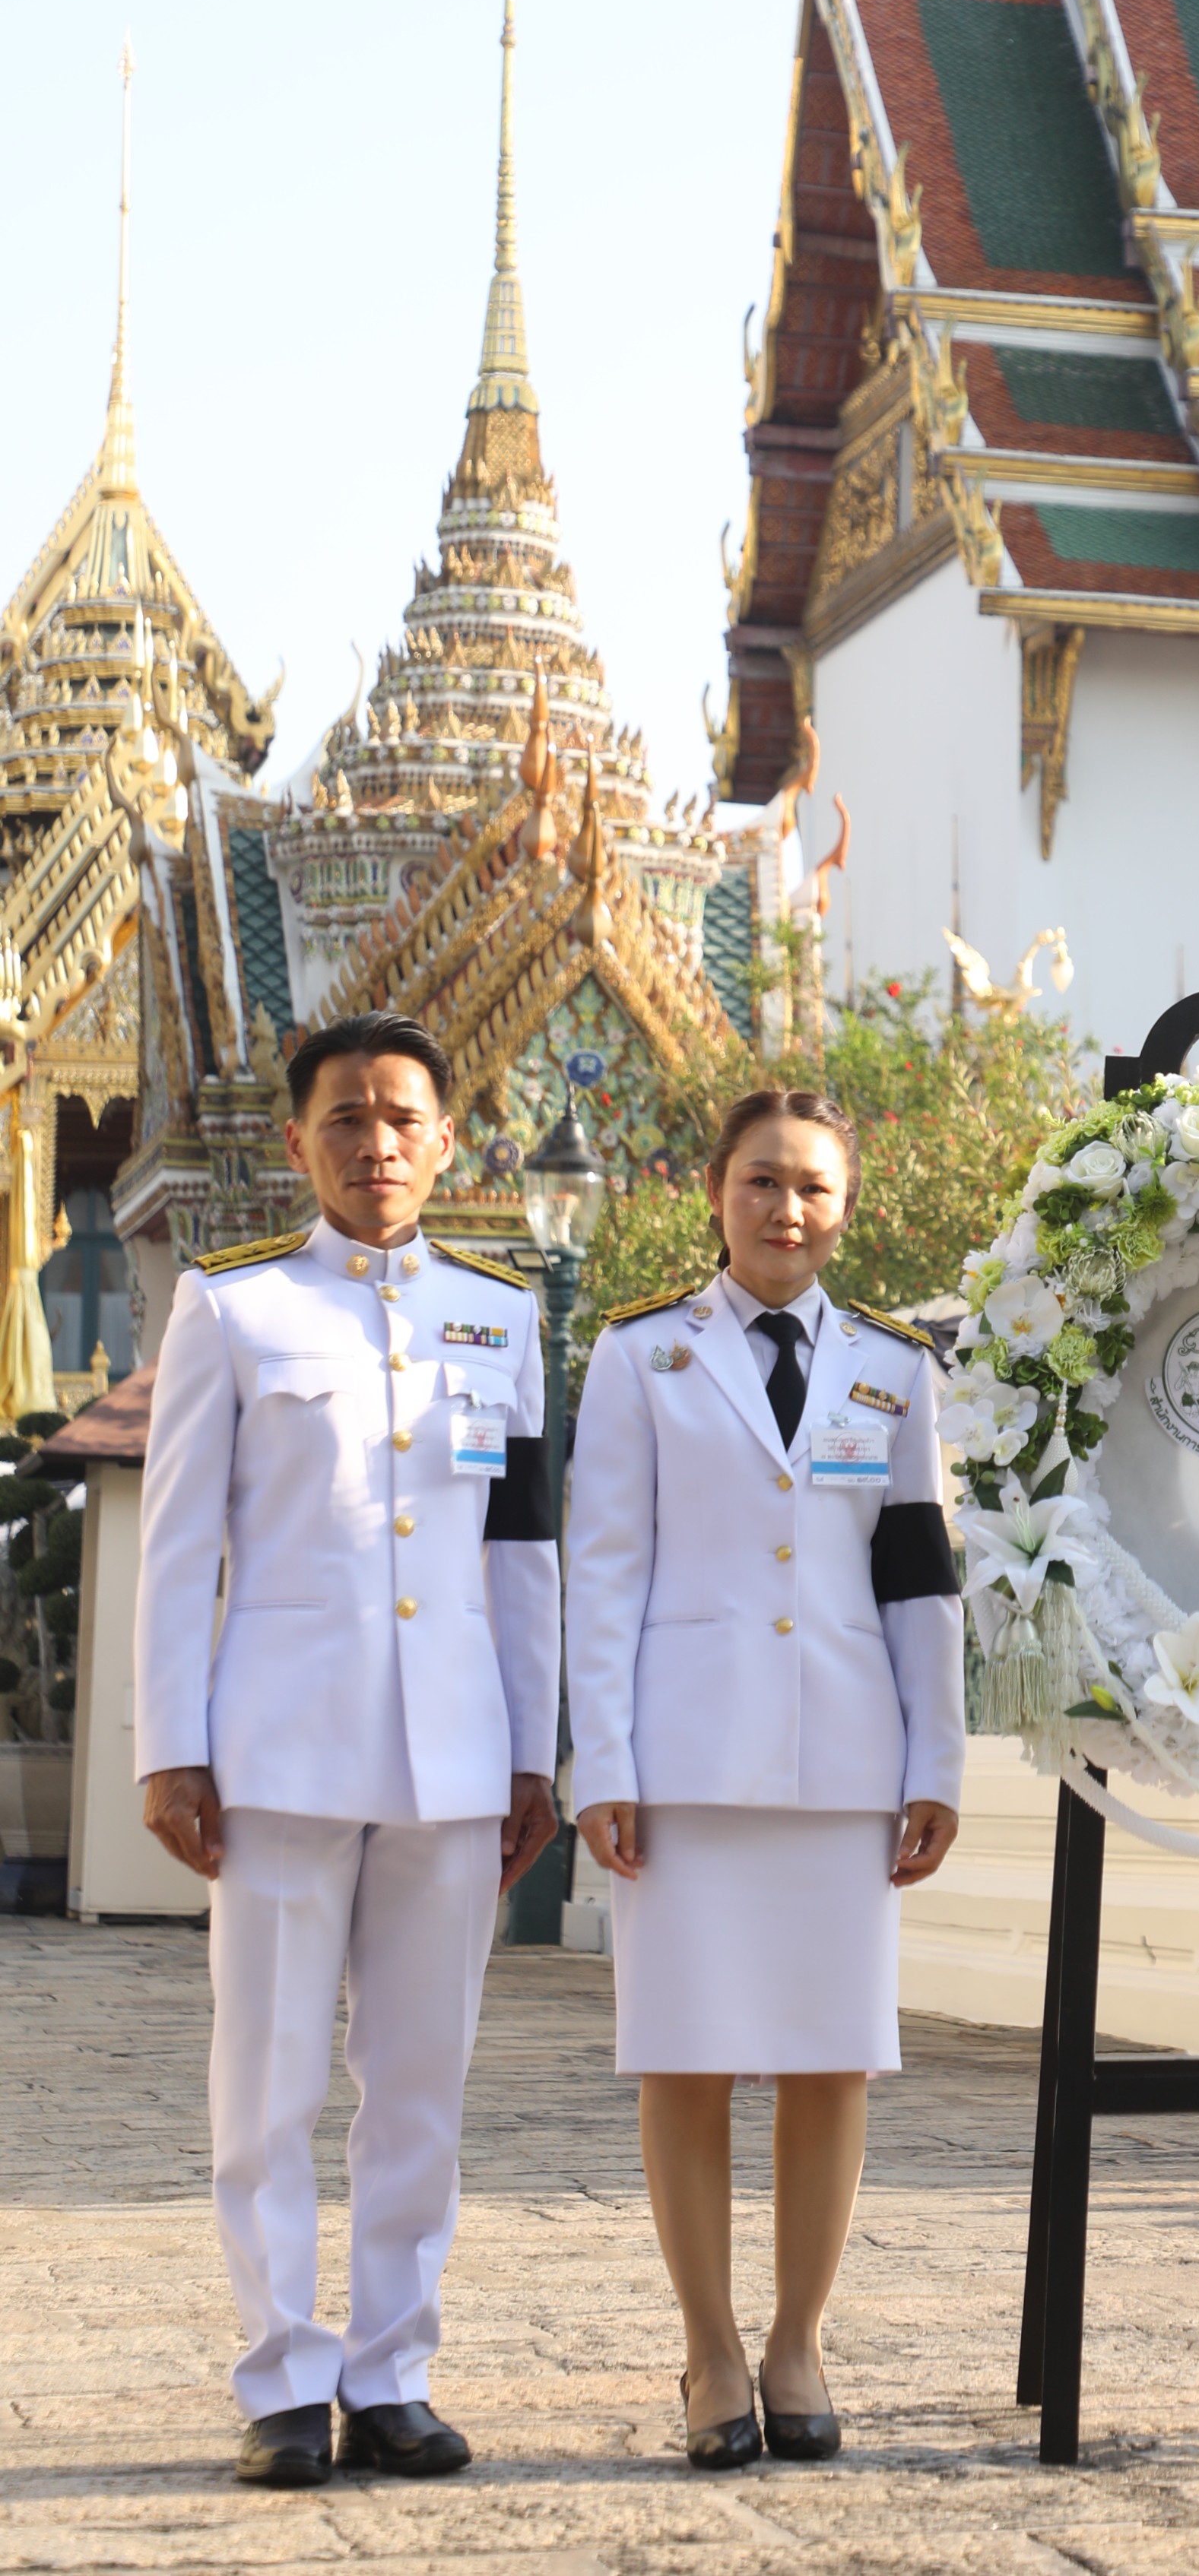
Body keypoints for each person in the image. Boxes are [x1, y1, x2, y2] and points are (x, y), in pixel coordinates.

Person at [135, 1010, 560, 2491]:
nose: (376, 1144)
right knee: (265, 2085)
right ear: (300, 1139)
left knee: (419, 2078)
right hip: (280, 1753)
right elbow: (182, 1546)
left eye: (400, 1118)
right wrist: (169, 1745)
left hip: (453, 1759)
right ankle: (278, 2379)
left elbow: (521, 1550)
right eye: (345, 1119)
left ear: (445, 1139)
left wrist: (535, 1747)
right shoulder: (236, 1309)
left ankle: (391, 2374)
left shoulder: (501, 1318)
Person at [566, 1085, 965, 2470]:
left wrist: (938, 1760)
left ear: (843, 1208)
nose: (785, 1210)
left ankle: (796, 2340)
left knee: (830, 2061)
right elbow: (604, 1571)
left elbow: (918, 1578)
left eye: (812, 1188)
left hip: (847, 1756)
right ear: (715, 1192)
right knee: (683, 2059)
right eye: (761, 1182)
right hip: (684, 1760)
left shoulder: (895, 1366)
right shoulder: (639, 1359)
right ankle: (710, 2352)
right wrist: (598, 1761)